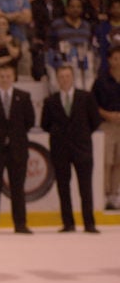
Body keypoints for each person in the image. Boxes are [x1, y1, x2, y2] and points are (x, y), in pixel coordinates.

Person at [41, 64, 103, 233]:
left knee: (85, 187)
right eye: (61, 77)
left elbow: (95, 121)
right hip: (60, 150)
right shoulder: (50, 101)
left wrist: (81, 135)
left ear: (73, 78)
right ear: (57, 79)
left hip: (82, 149)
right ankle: (68, 223)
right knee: (63, 187)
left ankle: (89, 223)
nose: (64, 80)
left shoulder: (86, 97)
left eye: (67, 76)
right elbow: (45, 124)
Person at [0, 64, 36, 234]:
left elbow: (29, 121)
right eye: (2, 76)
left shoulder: (23, 97)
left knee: (18, 188)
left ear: (14, 77)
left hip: (17, 150)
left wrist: (14, 136)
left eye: (8, 76)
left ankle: (20, 224)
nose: (5, 79)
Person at [91, 44, 120, 210]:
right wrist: (107, 114)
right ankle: (104, 193)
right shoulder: (101, 81)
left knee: (118, 162)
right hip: (106, 125)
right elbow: (92, 104)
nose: (118, 62)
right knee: (107, 161)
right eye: (115, 58)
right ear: (109, 60)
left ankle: (114, 194)